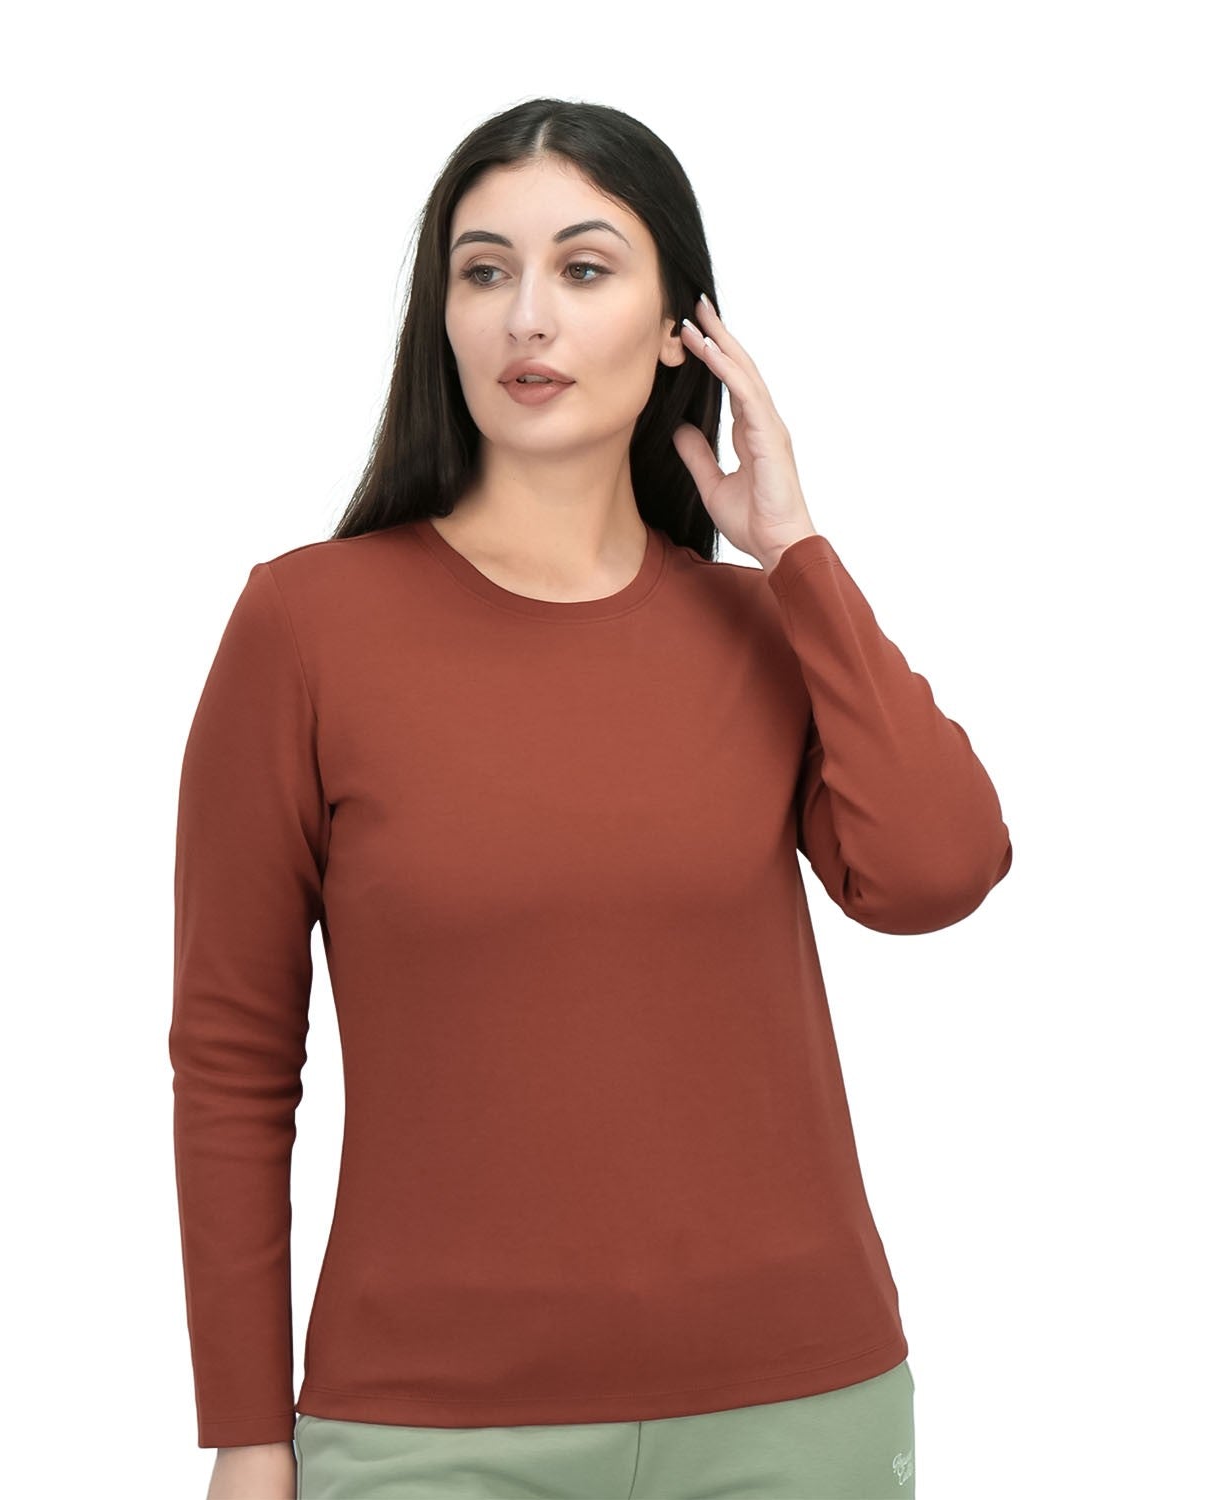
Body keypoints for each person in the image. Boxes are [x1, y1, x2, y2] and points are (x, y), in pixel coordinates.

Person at [170, 97, 1012, 1500]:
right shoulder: (306, 627)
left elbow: (938, 870)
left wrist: (796, 553)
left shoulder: (763, 630)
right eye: (484, 271)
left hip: (795, 1408)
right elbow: (234, 1060)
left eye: (583, 267)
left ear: (681, 327)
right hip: (429, 1431)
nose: (528, 318)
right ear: (442, 321)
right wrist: (248, 1435)